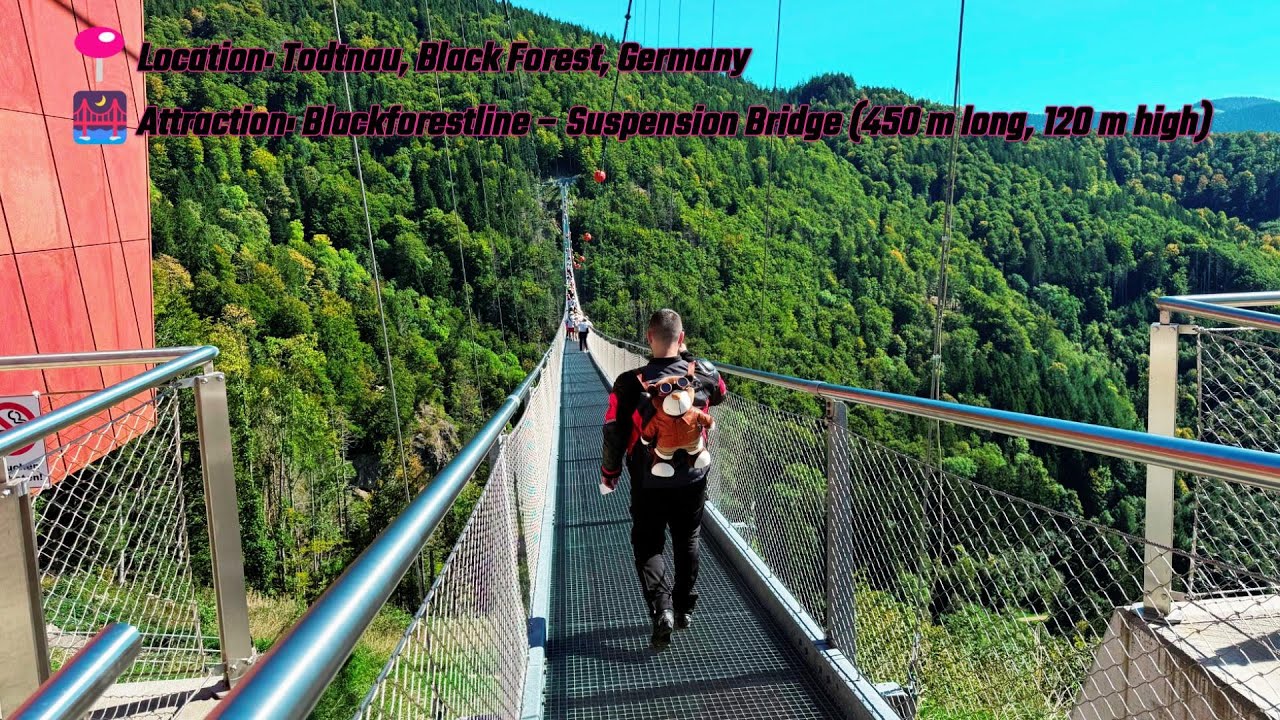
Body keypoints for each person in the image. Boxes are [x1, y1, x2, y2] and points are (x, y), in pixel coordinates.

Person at [600, 309, 727, 649]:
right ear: (682, 339)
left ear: (648, 338)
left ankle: (663, 609)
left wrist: (610, 474)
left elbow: (613, 431)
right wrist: (687, 360)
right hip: (693, 476)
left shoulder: (629, 383)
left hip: (648, 479)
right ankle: (684, 606)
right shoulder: (703, 373)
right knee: (688, 537)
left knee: (648, 543)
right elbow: (721, 393)